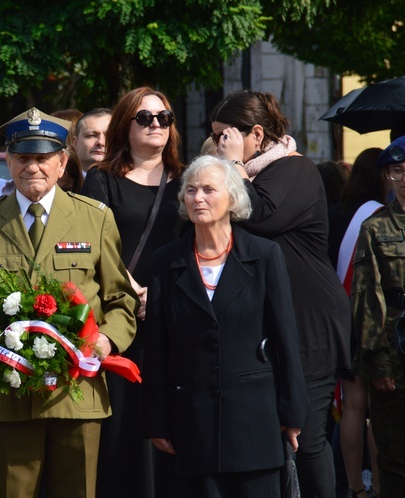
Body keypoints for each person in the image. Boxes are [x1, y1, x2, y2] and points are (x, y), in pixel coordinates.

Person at [0, 107, 138, 498]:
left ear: (62, 162)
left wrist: (104, 342)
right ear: (7, 161)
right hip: (7, 396)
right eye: (22, 158)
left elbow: (120, 300)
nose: (32, 167)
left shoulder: (95, 219)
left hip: (75, 393)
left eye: (42, 158)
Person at [211, 89, 351, 498]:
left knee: (305, 438)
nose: (220, 145)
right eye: (216, 137)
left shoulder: (295, 169)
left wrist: (233, 165)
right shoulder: (253, 171)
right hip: (274, 321)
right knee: (278, 436)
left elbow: (260, 214)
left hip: (312, 320)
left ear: (255, 133)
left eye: (226, 135)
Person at [143, 155, 308, 498]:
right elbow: (157, 347)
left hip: (253, 422)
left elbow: (285, 339)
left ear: (232, 198)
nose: (197, 198)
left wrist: (293, 412)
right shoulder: (165, 262)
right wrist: (157, 420)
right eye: (190, 190)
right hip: (191, 425)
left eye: (208, 189)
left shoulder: (264, 256)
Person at [80, 86, 185, 498]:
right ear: (126, 124)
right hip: (120, 317)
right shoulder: (103, 180)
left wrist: (159, 297)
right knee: (122, 428)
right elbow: (94, 245)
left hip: (172, 316)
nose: (156, 124)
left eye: (164, 118)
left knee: (169, 421)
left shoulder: (186, 179)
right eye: (145, 118)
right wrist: (134, 292)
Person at [329, 148, 386, 498]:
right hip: (374, 321)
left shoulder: (335, 213)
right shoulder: (383, 217)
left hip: (340, 319)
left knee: (352, 405)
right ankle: (378, 486)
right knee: (377, 412)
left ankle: (353, 487)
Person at [350, 137, 405, 498]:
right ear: (388, 176)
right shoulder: (375, 228)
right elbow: (368, 299)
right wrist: (380, 364)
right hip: (396, 354)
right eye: (398, 171)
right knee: (396, 458)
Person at [73, 108, 112, 175]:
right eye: (91, 135)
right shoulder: (57, 183)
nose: (101, 142)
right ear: (76, 143)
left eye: (108, 136)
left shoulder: (130, 183)